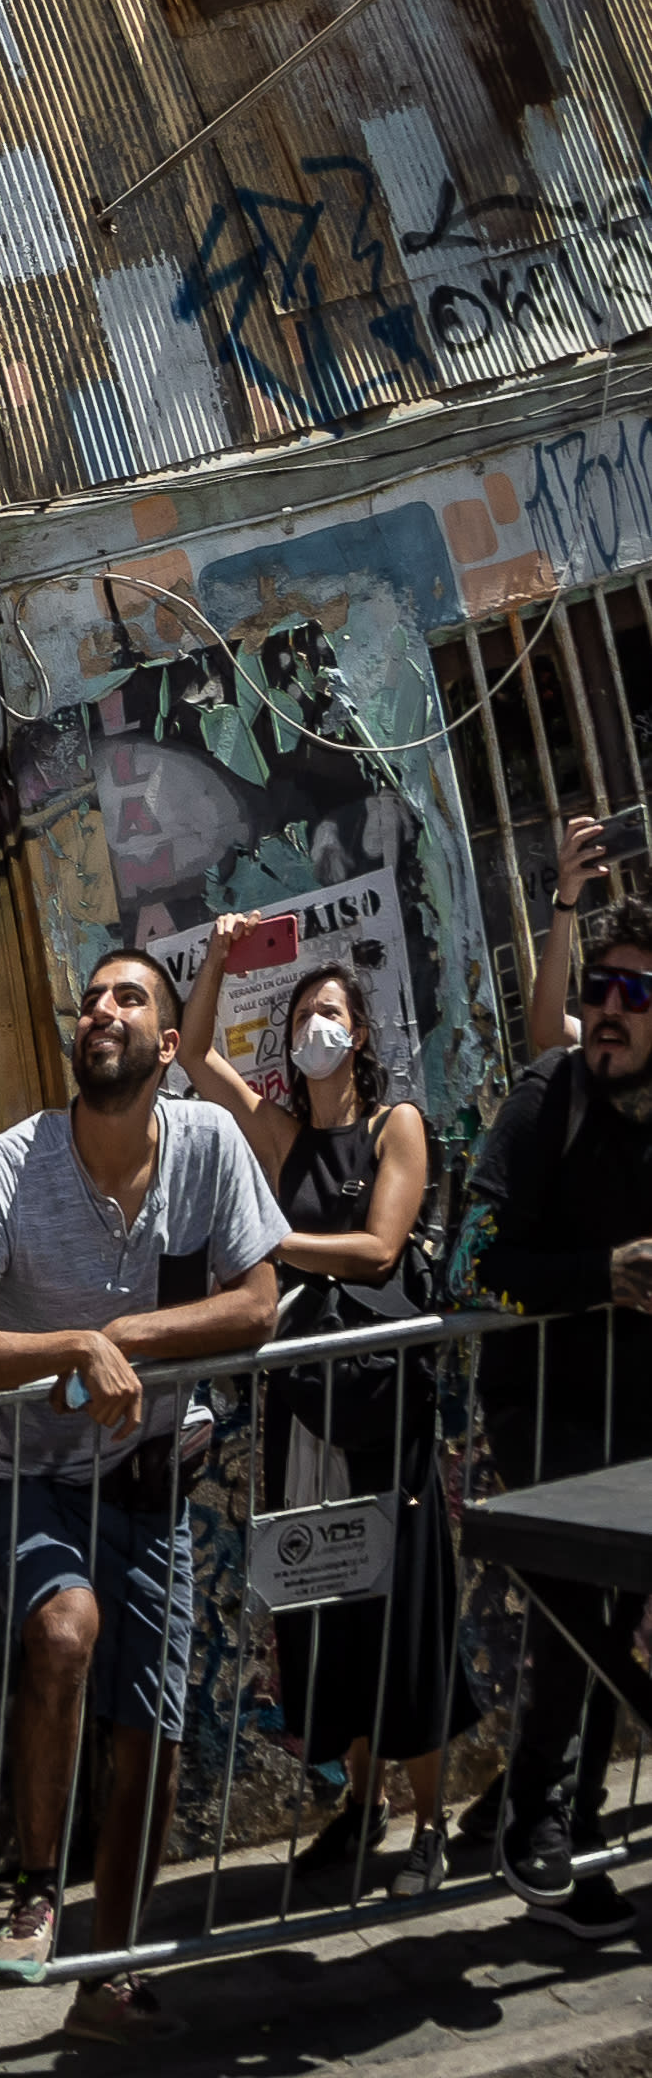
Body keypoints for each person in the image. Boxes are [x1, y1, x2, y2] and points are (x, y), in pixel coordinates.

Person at [0, 944, 284, 2042]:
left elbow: (256, 1303)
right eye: (90, 999)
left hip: (150, 1481)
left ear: (168, 1046)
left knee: (151, 1735)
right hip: (28, 1475)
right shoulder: (11, 1164)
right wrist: (71, 1346)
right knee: (63, 1631)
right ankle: (36, 1893)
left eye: (127, 997)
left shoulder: (208, 1144)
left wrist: (124, 1334)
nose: (101, 1010)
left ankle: (107, 1976)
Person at [201, 955, 466, 1902]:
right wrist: (217, 959)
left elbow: (379, 1248)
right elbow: (193, 1060)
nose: (313, 1025)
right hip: (304, 1414)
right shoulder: (281, 1135)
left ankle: (430, 1823)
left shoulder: (396, 1126)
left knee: (403, 1613)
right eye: (300, 1014)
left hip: (381, 1410)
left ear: (356, 1033)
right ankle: (364, 1801)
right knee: (327, 1607)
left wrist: (272, 1242)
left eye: (329, 1011)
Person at [481, 814, 652, 1929]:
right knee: (577, 1603)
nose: (610, 1007)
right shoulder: (548, 1096)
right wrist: (601, 1275)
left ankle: (570, 1827)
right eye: (600, 988)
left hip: (639, 1408)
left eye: (636, 992)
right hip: (542, 1403)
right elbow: (472, 1265)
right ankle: (539, 1818)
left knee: (618, 1609)